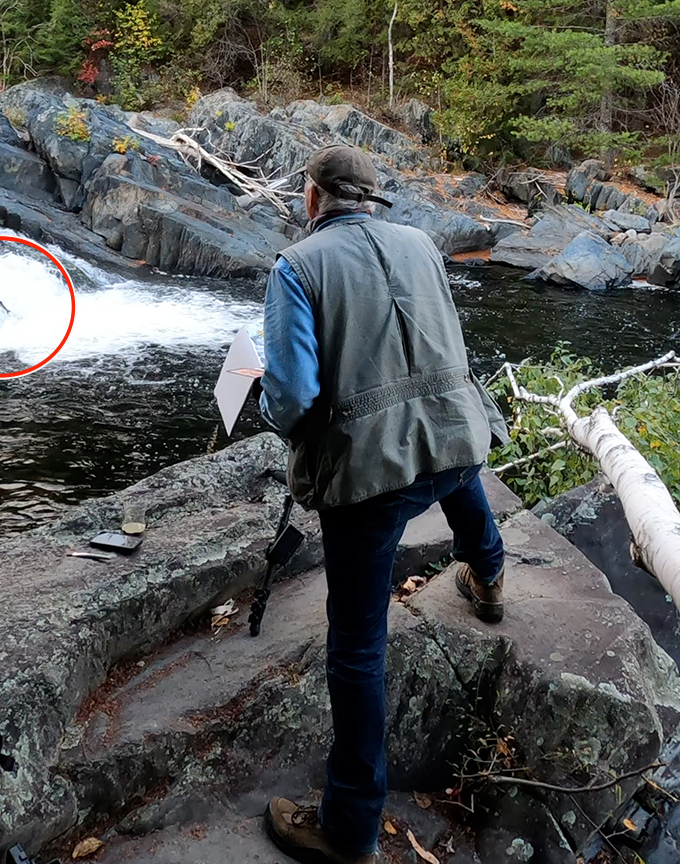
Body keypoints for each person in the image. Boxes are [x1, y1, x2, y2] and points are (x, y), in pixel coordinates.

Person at [258, 145, 509, 864]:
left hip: (370, 480)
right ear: (371, 200)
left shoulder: (296, 267)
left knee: (359, 647)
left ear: (312, 199)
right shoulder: (424, 243)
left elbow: (293, 398)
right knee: (456, 472)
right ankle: (489, 576)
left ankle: (351, 829)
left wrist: (273, 401)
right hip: (457, 435)